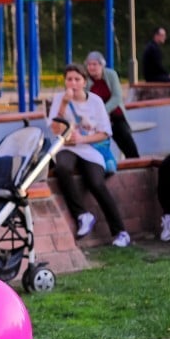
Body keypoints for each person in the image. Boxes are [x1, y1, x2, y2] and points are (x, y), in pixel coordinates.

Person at [47, 64, 131, 248]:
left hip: (91, 147)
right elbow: (55, 129)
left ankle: (120, 231)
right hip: (67, 147)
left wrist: (83, 139)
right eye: (69, 79)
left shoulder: (95, 101)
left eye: (77, 79)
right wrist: (63, 104)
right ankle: (82, 215)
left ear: (84, 81)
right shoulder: (59, 99)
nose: (73, 83)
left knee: (96, 182)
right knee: (62, 168)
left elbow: (104, 133)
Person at [85, 50, 140, 159]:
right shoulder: (85, 80)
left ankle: (135, 161)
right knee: (96, 144)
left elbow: (117, 97)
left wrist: (103, 111)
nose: (92, 67)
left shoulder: (111, 74)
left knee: (125, 137)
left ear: (101, 65)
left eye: (94, 64)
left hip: (115, 115)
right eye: (89, 64)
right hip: (95, 119)